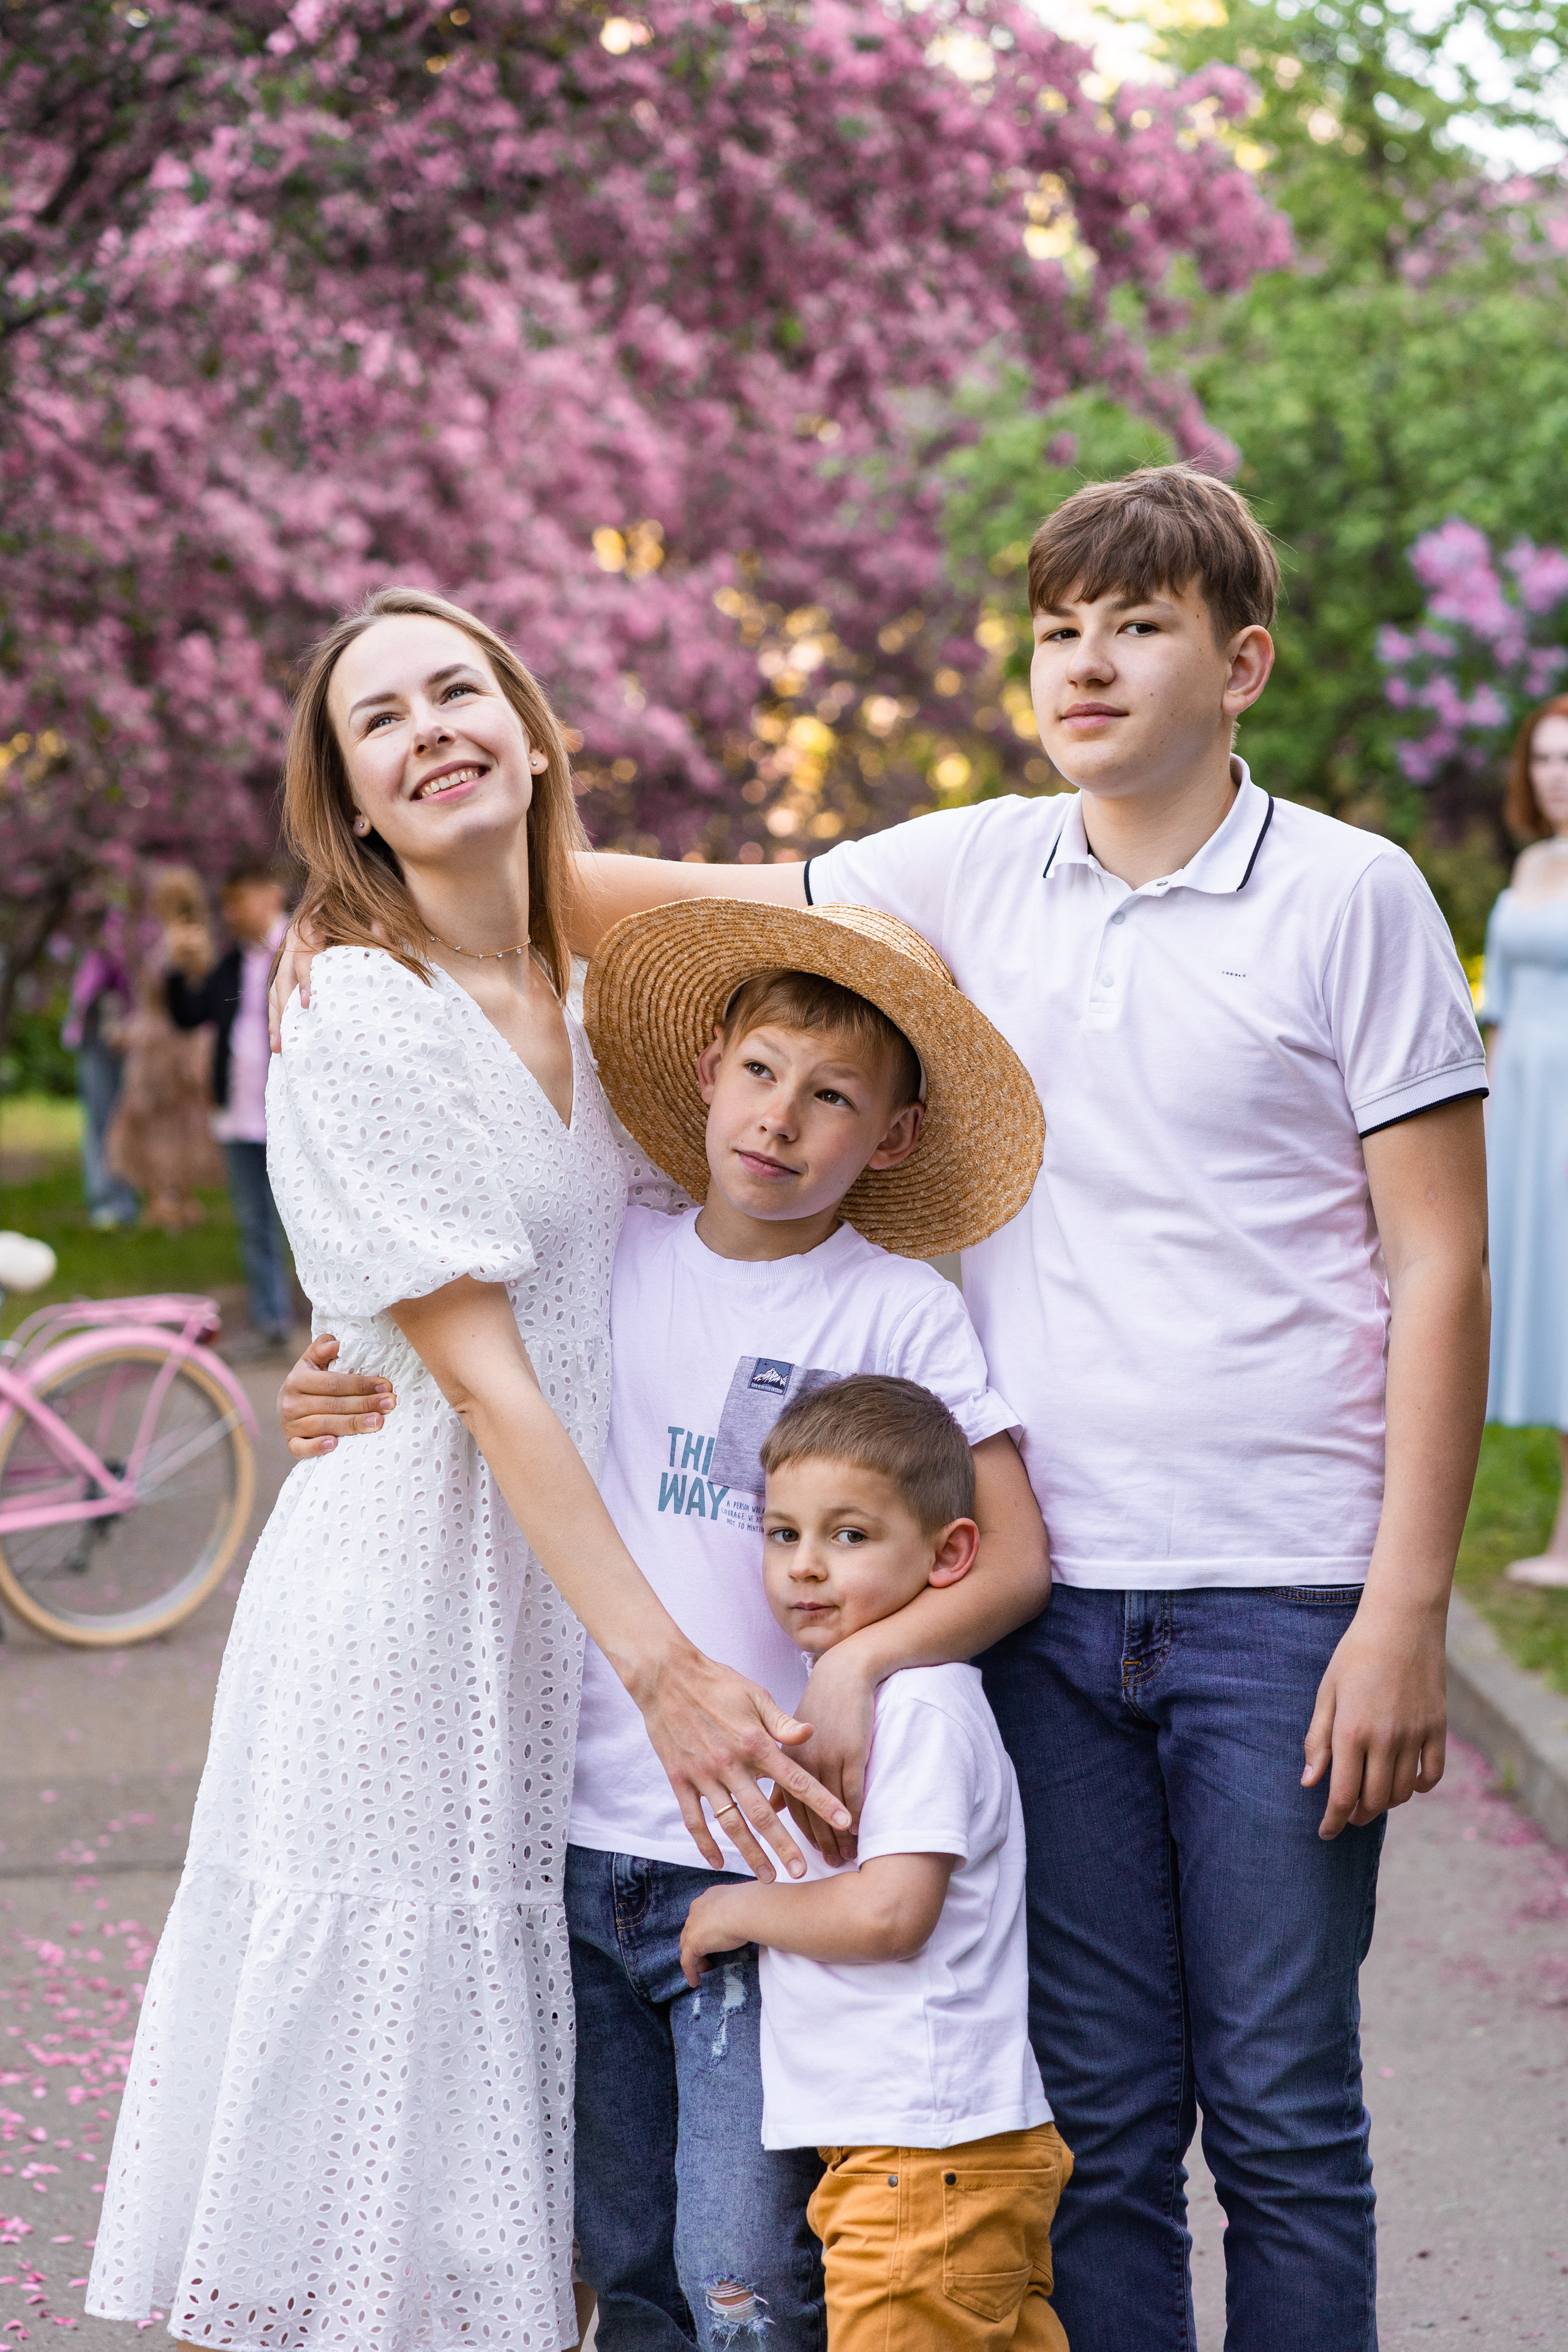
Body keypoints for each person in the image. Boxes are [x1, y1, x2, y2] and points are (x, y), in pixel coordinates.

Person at [273, 468, 1492, 2352]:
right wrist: (348, 958)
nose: (1085, 663)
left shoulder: (1352, 894)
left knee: (1280, 2108)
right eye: (1057, 626)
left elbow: (1438, 1265)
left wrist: (1404, 1604)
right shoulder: (966, 866)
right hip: (1032, 1595)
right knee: (1087, 2119)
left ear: (1238, 661)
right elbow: (576, 894)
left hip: (1278, 1576)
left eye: (1139, 624)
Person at [86, 586, 852, 2352]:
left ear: (531, 735)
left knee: (529, 2158)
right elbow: (496, 1386)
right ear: (349, 797)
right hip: (410, 1598)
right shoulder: (355, 1001)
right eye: (381, 718)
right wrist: (668, 1666)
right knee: (381, 2101)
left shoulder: (609, 997)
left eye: (460, 691)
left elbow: (830, 924)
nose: (429, 727)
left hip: (559, 1610)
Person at [278, 895, 1054, 2351]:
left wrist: (867, 1659)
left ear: (885, 1140)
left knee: (742, 2270)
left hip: (756, 1855)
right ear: (706, 1069)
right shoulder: (605, 1255)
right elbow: (439, 1375)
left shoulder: (895, 1311)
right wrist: (316, 1387)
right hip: (562, 1840)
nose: (782, 1119)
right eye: (761, 1071)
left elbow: (1005, 1559)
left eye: (833, 1098)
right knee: (615, 2263)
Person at [679, 1374, 1071, 2351]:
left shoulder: (924, 1707)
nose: (806, 1568)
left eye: (849, 1537)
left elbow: (892, 1916)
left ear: (950, 1556)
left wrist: (738, 1913)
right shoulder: (875, 1699)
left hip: (920, 2161)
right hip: (924, 2158)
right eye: (784, 1535)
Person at [1477, 692, 1568, 1587]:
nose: (1556, 776)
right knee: (1539, 1297)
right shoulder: (1533, 863)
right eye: (1543, 758)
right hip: (1523, 1107)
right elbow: (1497, 1010)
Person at [165, 856, 296, 1350]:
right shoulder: (233, 961)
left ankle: (333, 1324)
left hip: (294, 1116)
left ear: (270, 894)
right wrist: (180, 967)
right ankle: (272, 1322)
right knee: (254, 1221)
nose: (232, 915)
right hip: (239, 1115)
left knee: (305, 1217)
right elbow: (189, 1015)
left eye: (238, 902)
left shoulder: (305, 945)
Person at [104, 867, 225, 1232]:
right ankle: (161, 1197)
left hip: (175, 1044)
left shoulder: (188, 939)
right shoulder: (168, 936)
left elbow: (188, 994)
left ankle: (177, 1198)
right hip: (156, 1039)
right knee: (151, 1120)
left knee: (178, 1121)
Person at [62, 919, 139, 1230]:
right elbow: (84, 1003)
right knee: (100, 1123)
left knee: (119, 1123)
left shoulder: (128, 945)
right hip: (98, 1046)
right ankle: (106, 1200)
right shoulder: (98, 958)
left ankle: (123, 1198)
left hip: (122, 1046)